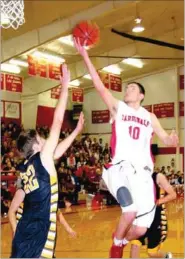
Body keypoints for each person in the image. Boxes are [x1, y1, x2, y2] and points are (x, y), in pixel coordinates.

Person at [74, 38, 179, 258]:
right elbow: (99, 85)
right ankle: (116, 243)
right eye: (127, 87)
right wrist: (84, 55)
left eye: (132, 88)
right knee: (129, 211)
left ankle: (120, 239)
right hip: (121, 168)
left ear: (141, 95)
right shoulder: (119, 108)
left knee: (140, 228)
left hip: (143, 175)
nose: (128, 90)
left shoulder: (150, 116)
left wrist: (171, 139)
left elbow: (165, 139)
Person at [10, 64, 84, 258]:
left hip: (24, 228)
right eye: (41, 140)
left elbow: (58, 151)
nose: (45, 141)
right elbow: (58, 121)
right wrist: (65, 86)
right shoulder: (42, 159)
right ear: (35, 146)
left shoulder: (27, 167)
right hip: (39, 231)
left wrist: (75, 132)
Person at [130, 171, 176, 258]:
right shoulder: (135, 176)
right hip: (140, 217)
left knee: (152, 253)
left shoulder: (158, 176)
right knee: (135, 245)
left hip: (156, 218)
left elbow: (173, 194)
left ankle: (166, 256)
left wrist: (158, 202)